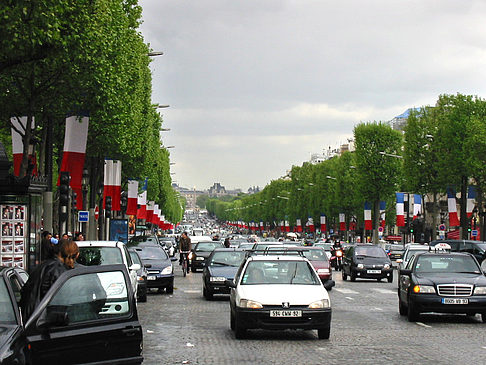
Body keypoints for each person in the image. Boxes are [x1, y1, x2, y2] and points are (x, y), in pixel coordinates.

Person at [20, 238, 69, 320]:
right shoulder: (56, 268)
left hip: (31, 314)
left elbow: (25, 290)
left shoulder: (42, 266)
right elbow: (54, 297)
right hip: (42, 317)